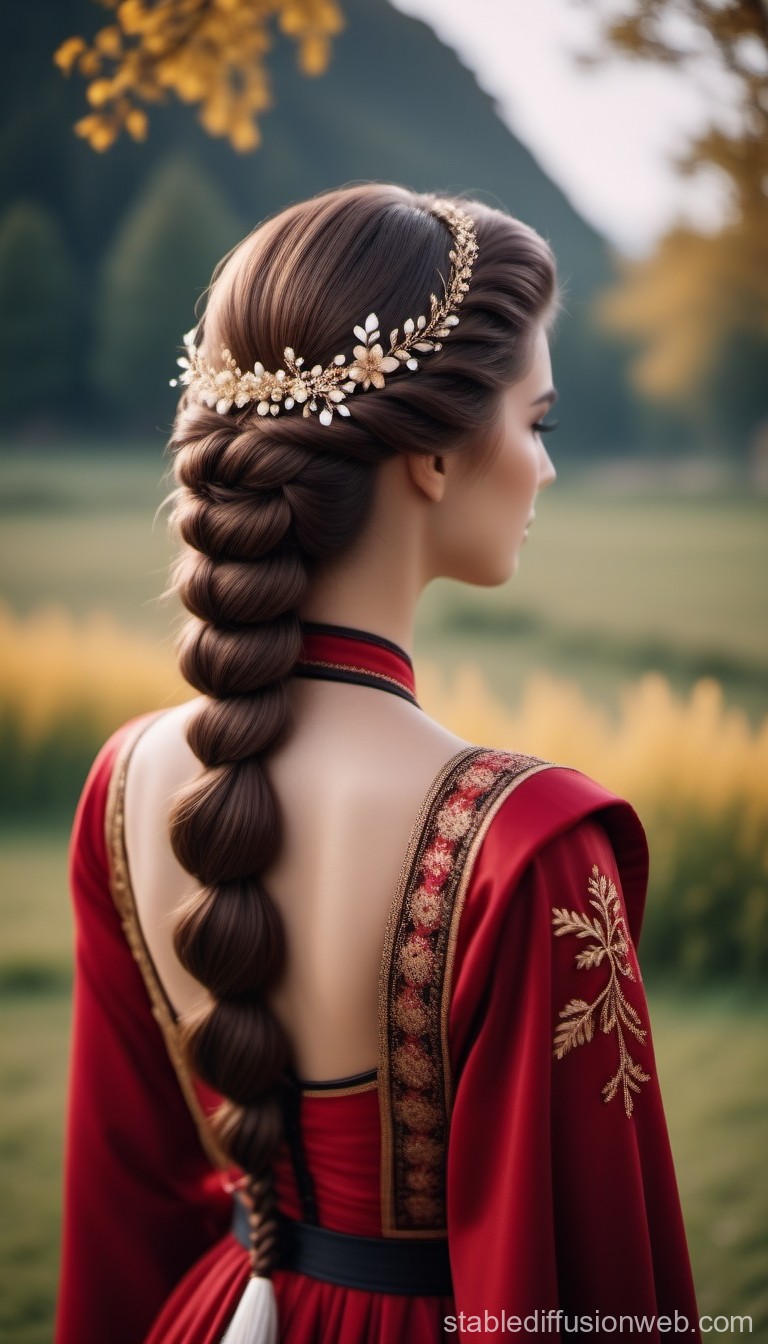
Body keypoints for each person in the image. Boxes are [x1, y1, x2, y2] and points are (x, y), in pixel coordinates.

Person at [54, 183, 701, 1344]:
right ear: (436, 459)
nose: (545, 470)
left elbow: (118, 1223)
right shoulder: (524, 848)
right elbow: (583, 1299)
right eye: (537, 423)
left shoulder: (122, 785)